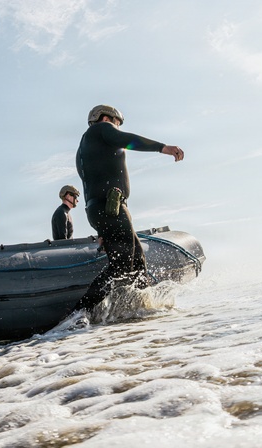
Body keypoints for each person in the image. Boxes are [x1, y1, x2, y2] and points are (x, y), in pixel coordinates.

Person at [71, 104, 184, 315]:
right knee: (122, 264)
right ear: (106, 118)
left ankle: (139, 310)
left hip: (101, 209)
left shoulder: (83, 149)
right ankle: (80, 314)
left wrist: (102, 229)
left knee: (138, 259)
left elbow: (91, 186)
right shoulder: (101, 129)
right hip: (111, 207)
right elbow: (125, 140)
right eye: (117, 124)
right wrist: (162, 147)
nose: (117, 129)